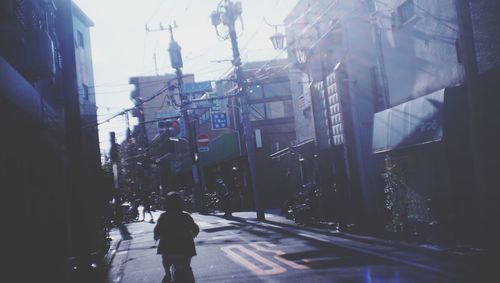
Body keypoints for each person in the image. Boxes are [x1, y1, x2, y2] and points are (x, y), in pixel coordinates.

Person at [154, 192, 200, 283]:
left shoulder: (163, 217)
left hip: (168, 249)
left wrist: (156, 237)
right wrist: (193, 234)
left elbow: (157, 231)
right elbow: (195, 229)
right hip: (185, 250)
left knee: (166, 261)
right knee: (186, 267)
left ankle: (167, 273)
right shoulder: (186, 216)